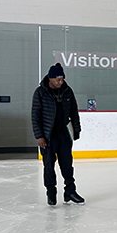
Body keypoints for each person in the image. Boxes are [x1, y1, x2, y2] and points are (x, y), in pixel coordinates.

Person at [32, 63, 85, 206]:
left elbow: (74, 111)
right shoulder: (40, 93)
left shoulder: (67, 91)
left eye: (62, 79)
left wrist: (77, 129)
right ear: (50, 78)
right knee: (49, 166)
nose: (60, 82)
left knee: (67, 165)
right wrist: (40, 136)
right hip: (48, 136)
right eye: (57, 79)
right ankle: (51, 192)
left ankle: (70, 192)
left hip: (63, 134)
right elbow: (35, 116)